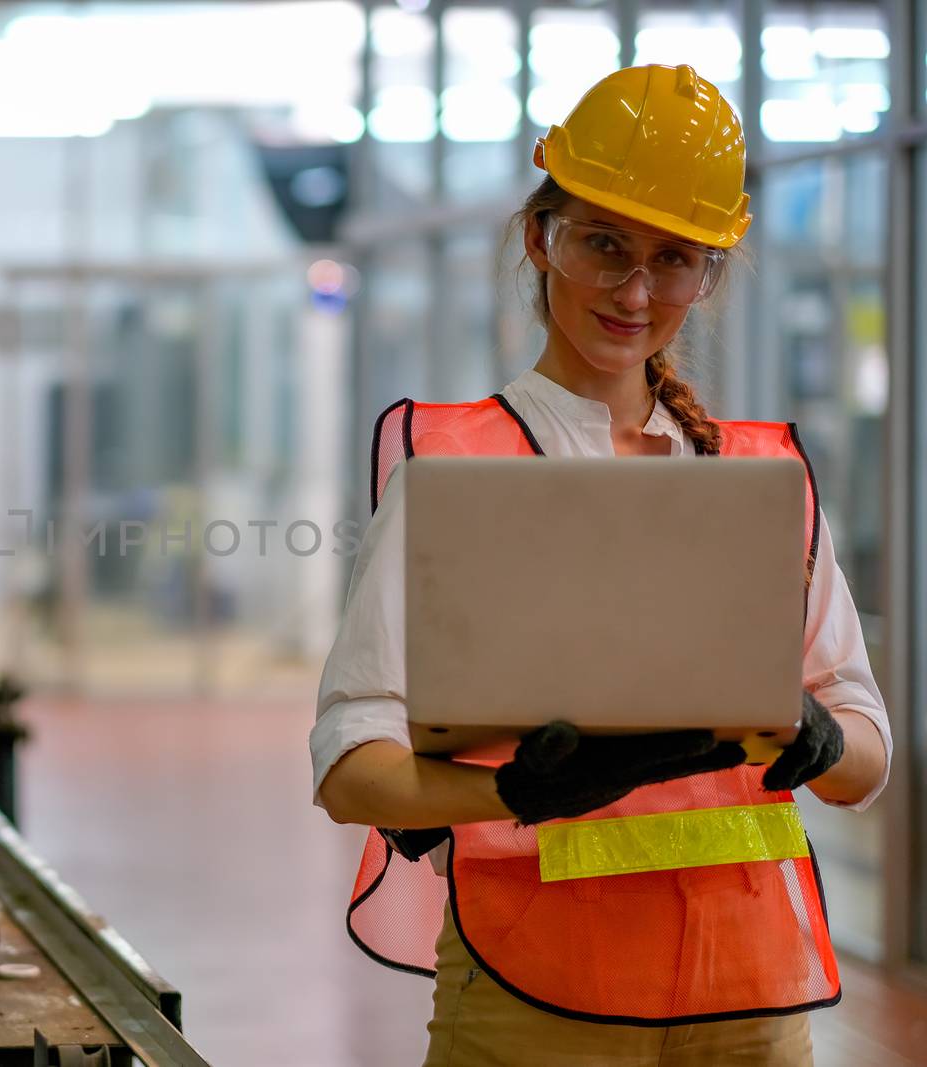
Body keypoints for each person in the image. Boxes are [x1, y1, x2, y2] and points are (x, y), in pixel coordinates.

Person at [311, 65, 890, 1065]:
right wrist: (515, 793)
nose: (634, 291)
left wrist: (818, 740)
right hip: (531, 996)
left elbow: (868, 757)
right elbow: (349, 769)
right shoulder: (453, 473)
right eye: (604, 244)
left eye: (673, 259)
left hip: (748, 1002)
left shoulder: (762, 481)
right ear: (543, 237)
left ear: (709, 272)